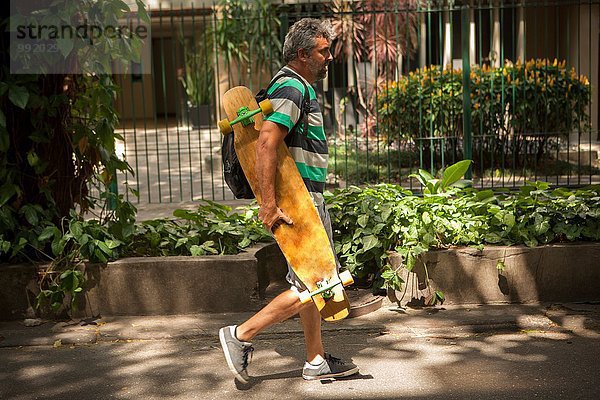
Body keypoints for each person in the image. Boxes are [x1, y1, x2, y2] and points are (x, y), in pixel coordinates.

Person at [219, 18, 359, 383]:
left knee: (308, 281)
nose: (330, 57)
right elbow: (266, 142)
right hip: (301, 202)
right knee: (319, 284)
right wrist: (268, 203)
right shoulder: (292, 88)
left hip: (304, 197)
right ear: (302, 54)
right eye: (323, 51)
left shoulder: (293, 86)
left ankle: (315, 360)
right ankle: (240, 336)